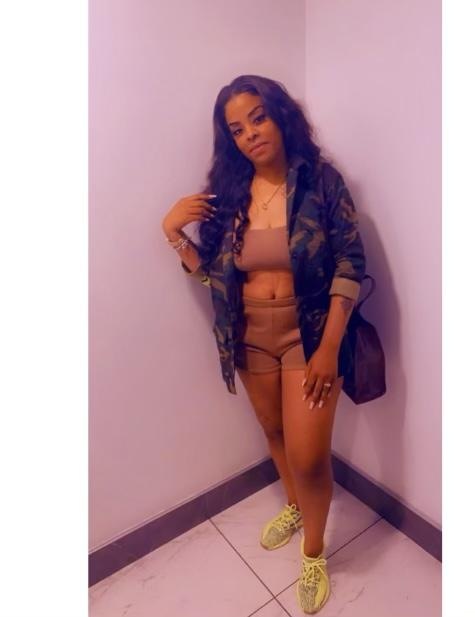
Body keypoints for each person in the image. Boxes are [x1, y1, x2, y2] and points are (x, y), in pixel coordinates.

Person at [161, 74, 366, 614]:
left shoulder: (320, 182)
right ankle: (294, 506)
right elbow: (215, 276)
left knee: (309, 456)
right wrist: (173, 233)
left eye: (258, 117)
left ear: (279, 116)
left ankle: (314, 552)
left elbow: (350, 263)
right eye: (237, 128)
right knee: (274, 431)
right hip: (249, 337)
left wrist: (329, 348)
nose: (250, 133)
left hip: (310, 335)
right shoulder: (228, 197)